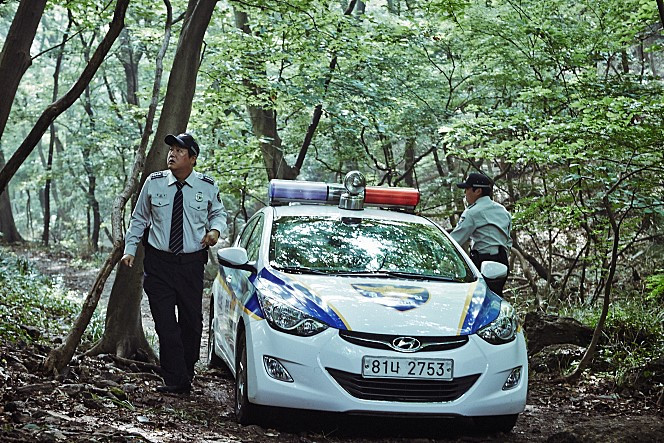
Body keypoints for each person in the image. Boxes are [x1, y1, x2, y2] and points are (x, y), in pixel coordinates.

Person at [121, 132, 226, 394]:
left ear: (192, 158)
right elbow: (139, 218)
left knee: (192, 323)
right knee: (165, 323)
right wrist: (130, 249)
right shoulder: (154, 182)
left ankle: (186, 370)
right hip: (159, 264)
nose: (172, 154)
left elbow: (218, 213)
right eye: (171, 150)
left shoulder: (206, 186)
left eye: (180, 151)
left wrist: (215, 231)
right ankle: (174, 379)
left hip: (191, 264)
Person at [450, 172, 512, 296]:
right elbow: (508, 241)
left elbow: (454, 241)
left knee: (478, 298)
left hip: (483, 262)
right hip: (502, 261)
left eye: (467, 189)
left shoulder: (472, 212)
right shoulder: (502, 210)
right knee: (495, 297)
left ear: (478, 191)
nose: (465, 193)